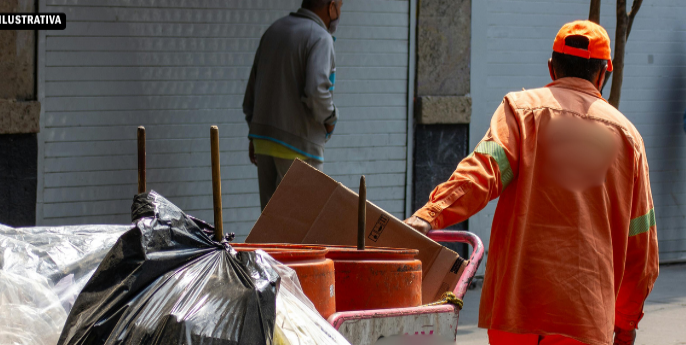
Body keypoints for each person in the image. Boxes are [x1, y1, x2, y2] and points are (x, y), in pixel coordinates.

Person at [403, 21, 658, 345]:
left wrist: (430, 214)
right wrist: (625, 326)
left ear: (552, 68)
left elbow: (482, 172)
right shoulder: (628, 138)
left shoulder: (521, 112)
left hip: (516, 312)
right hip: (585, 317)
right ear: (603, 74)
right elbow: (641, 253)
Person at [243, 0, 342, 211]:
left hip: (263, 142)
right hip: (300, 148)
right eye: (340, 6)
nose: (340, 12)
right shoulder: (321, 38)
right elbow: (316, 92)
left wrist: (254, 133)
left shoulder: (274, 30)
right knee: (301, 228)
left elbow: (253, 88)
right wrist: (331, 119)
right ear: (331, 6)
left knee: (269, 229)